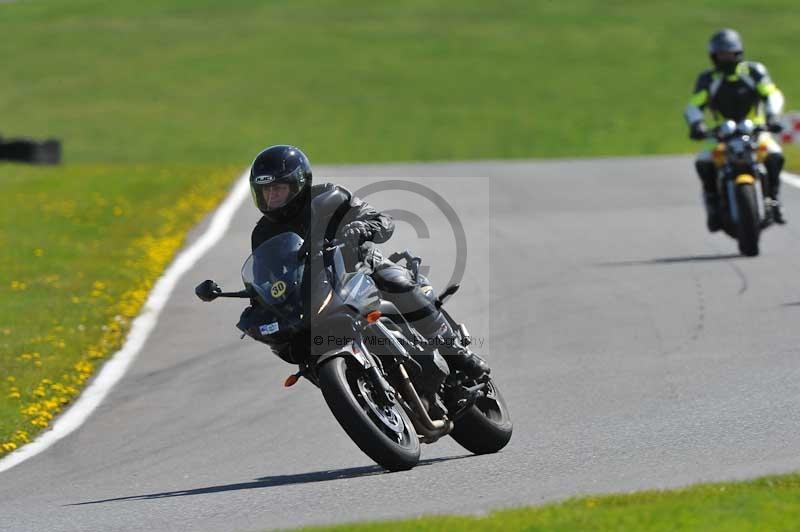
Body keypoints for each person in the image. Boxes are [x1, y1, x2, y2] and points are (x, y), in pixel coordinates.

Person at [238, 144, 490, 378]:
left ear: (299, 184)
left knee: (395, 281)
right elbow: (266, 276)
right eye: (265, 191)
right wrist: (258, 303)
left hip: (358, 268)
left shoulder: (329, 197)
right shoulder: (262, 233)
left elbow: (380, 220)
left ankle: (456, 355)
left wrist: (361, 227)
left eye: (278, 190)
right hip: (314, 291)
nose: (271, 198)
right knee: (298, 340)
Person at [684, 28, 786, 230]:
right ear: (714, 56)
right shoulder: (708, 79)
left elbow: (772, 93)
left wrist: (773, 115)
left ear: (738, 53)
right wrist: (697, 125)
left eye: (730, 53)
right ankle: (713, 204)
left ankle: (773, 200)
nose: (726, 58)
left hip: (756, 132)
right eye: (721, 54)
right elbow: (694, 105)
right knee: (704, 161)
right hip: (723, 135)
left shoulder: (754, 71)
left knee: (775, 155)